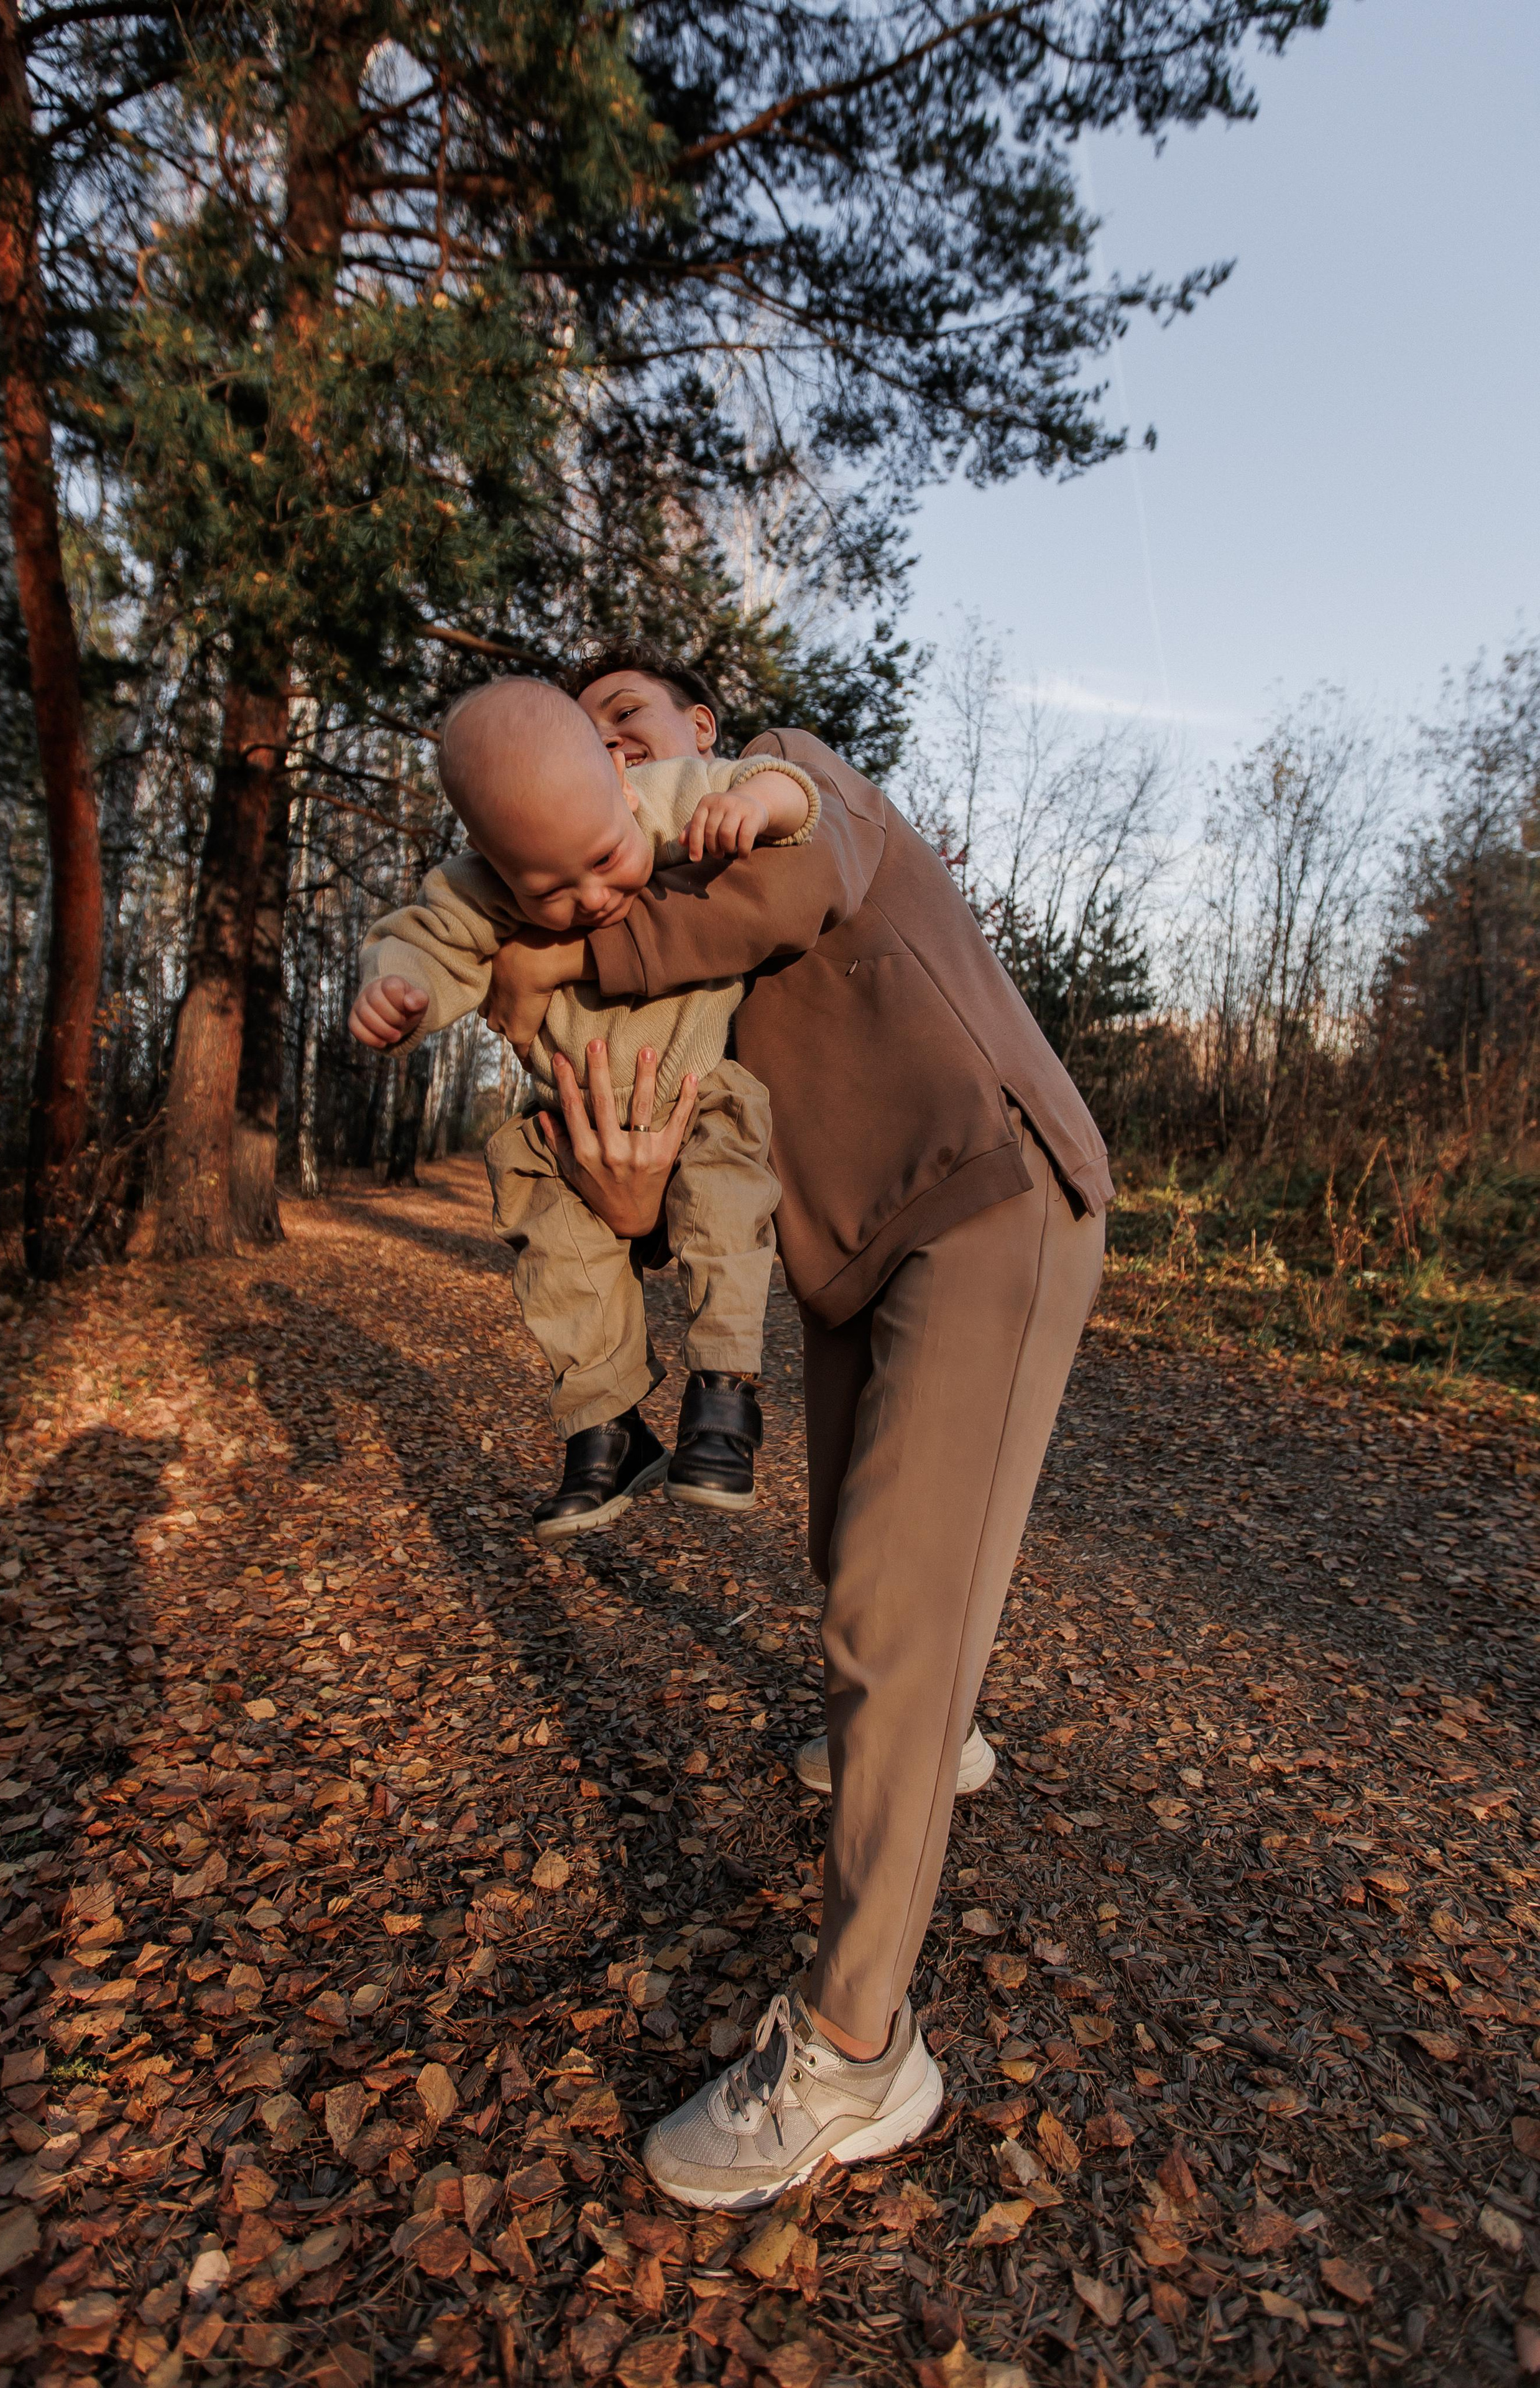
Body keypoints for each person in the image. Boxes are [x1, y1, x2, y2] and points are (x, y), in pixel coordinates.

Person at [476, 646, 1111, 2209]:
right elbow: (654, 1193)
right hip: (851, 1266)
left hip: (988, 1190)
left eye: (626, 732)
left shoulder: (788, 776)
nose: (610, 773)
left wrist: (553, 962)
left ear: (693, 729)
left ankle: (852, 2056)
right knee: (854, 1567)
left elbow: (798, 881)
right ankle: (927, 1734)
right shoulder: (658, 967)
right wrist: (621, 1196)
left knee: (894, 1609)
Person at [349, 677, 821, 1537]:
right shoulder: (477, 886)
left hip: (694, 1086)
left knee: (728, 1193)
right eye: (550, 891)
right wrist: (399, 989)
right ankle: (604, 1429)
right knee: (545, 1220)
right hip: (572, 1117)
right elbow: (420, 939)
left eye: (605, 860)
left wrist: (754, 800)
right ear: (491, 860)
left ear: (617, 774)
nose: (593, 899)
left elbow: (797, 794)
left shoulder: (664, 799)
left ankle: (723, 1396)